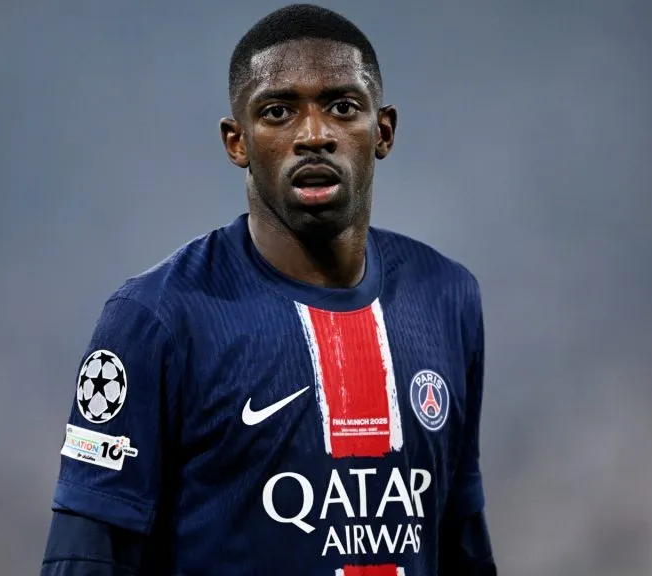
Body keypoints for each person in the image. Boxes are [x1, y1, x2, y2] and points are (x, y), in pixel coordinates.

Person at [40, 4, 497, 575]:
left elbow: (461, 545)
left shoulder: (448, 298)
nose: (313, 135)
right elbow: (86, 559)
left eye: (342, 107)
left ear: (382, 131)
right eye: (278, 111)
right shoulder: (155, 319)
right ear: (238, 142)